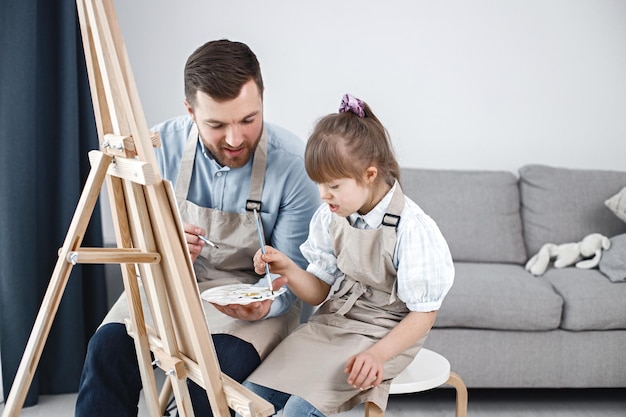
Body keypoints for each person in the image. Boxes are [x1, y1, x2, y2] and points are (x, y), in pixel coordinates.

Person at [75, 39, 321, 416]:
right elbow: (136, 243)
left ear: (262, 100)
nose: (235, 139)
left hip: (253, 303)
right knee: (106, 349)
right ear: (189, 110)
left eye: (248, 120)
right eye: (217, 125)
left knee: (215, 374)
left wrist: (267, 301)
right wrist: (162, 246)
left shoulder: (294, 167)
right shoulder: (156, 148)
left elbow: (291, 275)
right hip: (170, 284)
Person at [242, 94, 455, 417]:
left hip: (386, 333)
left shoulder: (413, 229)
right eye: (319, 185)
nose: (324, 195)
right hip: (333, 322)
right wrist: (287, 268)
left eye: (334, 186)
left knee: (299, 411)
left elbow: (423, 315)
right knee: (251, 398)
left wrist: (377, 356)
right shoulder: (331, 214)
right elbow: (320, 292)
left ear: (369, 175)